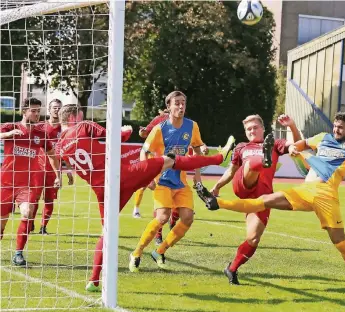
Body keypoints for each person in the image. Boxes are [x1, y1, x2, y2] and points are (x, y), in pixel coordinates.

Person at [197, 112, 345, 298]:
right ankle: (216, 202)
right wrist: (293, 140)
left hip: (326, 196)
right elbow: (299, 145)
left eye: (341, 127)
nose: (336, 129)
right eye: (334, 125)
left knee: (341, 244)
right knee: (264, 201)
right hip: (304, 190)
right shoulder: (322, 138)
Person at [55, 104, 235, 292]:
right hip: (122, 176)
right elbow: (117, 137)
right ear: (75, 117)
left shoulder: (60, 146)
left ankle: (93, 280)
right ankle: (219, 158)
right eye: (82, 115)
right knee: (171, 160)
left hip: (103, 190)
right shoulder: (83, 126)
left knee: (105, 233)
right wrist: (125, 130)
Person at [129, 90, 229, 272]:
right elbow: (144, 151)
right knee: (162, 217)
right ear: (169, 107)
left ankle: (160, 251)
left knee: (188, 218)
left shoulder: (192, 126)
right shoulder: (160, 129)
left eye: (183, 103)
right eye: (177, 103)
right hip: (162, 181)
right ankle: (137, 252)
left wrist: (198, 177)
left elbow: (198, 150)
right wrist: (146, 176)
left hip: (181, 182)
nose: (181, 106)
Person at [210, 114, 301, 284]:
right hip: (243, 185)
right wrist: (217, 186)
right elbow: (231, 171)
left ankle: (232, 268)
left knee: (253, 239)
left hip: (263, 196)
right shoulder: (241, 147)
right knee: (252, 164)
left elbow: (296, 146)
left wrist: (292, 126)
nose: (252, 131)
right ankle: (262, 161)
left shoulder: (275, 144)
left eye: (255, 127)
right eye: (248, 129)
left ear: (263, 128)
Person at [0, 98, 61, 266]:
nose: (36, 114)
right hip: (6, 182)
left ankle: (18, 254)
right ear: (24, 112)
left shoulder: (41, 133)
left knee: (27, 212)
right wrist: (7, 135)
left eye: (38, 111)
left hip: (27, 185)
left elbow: (52, 155)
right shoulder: (11, 127)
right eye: (33, 111)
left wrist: (58, 175)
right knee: (1, 223)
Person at [33, 99, 73, 235]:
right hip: (37, 169)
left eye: (59, 108)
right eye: (54, 107)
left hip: (54, 171)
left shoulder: (65, 130)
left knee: (49, 200)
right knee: (34, 198)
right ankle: (30, 222)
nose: (57, 110)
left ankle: (43, 227)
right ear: (49, 110)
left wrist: (68, 170)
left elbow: (67, 150)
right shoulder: (40, 127)